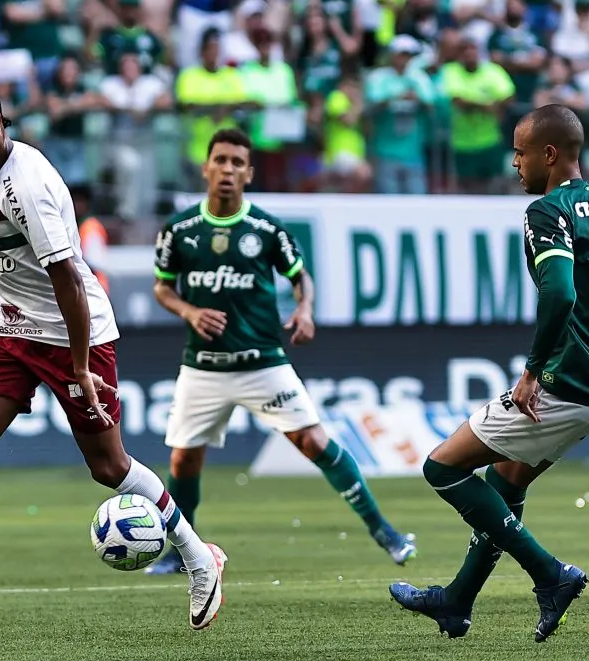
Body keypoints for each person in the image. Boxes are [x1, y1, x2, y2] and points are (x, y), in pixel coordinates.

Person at [0, 77, 226, 639]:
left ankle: (200, 558)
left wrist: (79, 368)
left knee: (109, 468)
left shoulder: (31, 185)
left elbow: (70, 280)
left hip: (72, 334)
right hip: (9, 326)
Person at [387, 104, 589, 642]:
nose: (514, 163)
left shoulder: (546, 211)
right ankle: (456, 602)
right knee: (506, 482)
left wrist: (533, 372)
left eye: (520, 152)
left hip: (562, 381)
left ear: (548, 154)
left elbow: (560, 293)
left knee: (442, 467)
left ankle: (550, 574)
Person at [144, 128, 417, 576]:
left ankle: (385, 532)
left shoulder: (266, 228)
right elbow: (162, 287)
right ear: (206, 167)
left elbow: (299, 276)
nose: (228, 169)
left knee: (314, 441)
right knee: (183, 458)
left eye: (237, 162)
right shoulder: (179, 230)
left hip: (262, 363)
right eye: (221, 160)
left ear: (248, 173)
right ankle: (181, 553)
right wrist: (190, 311)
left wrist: (305, 309)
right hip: (204, 366)